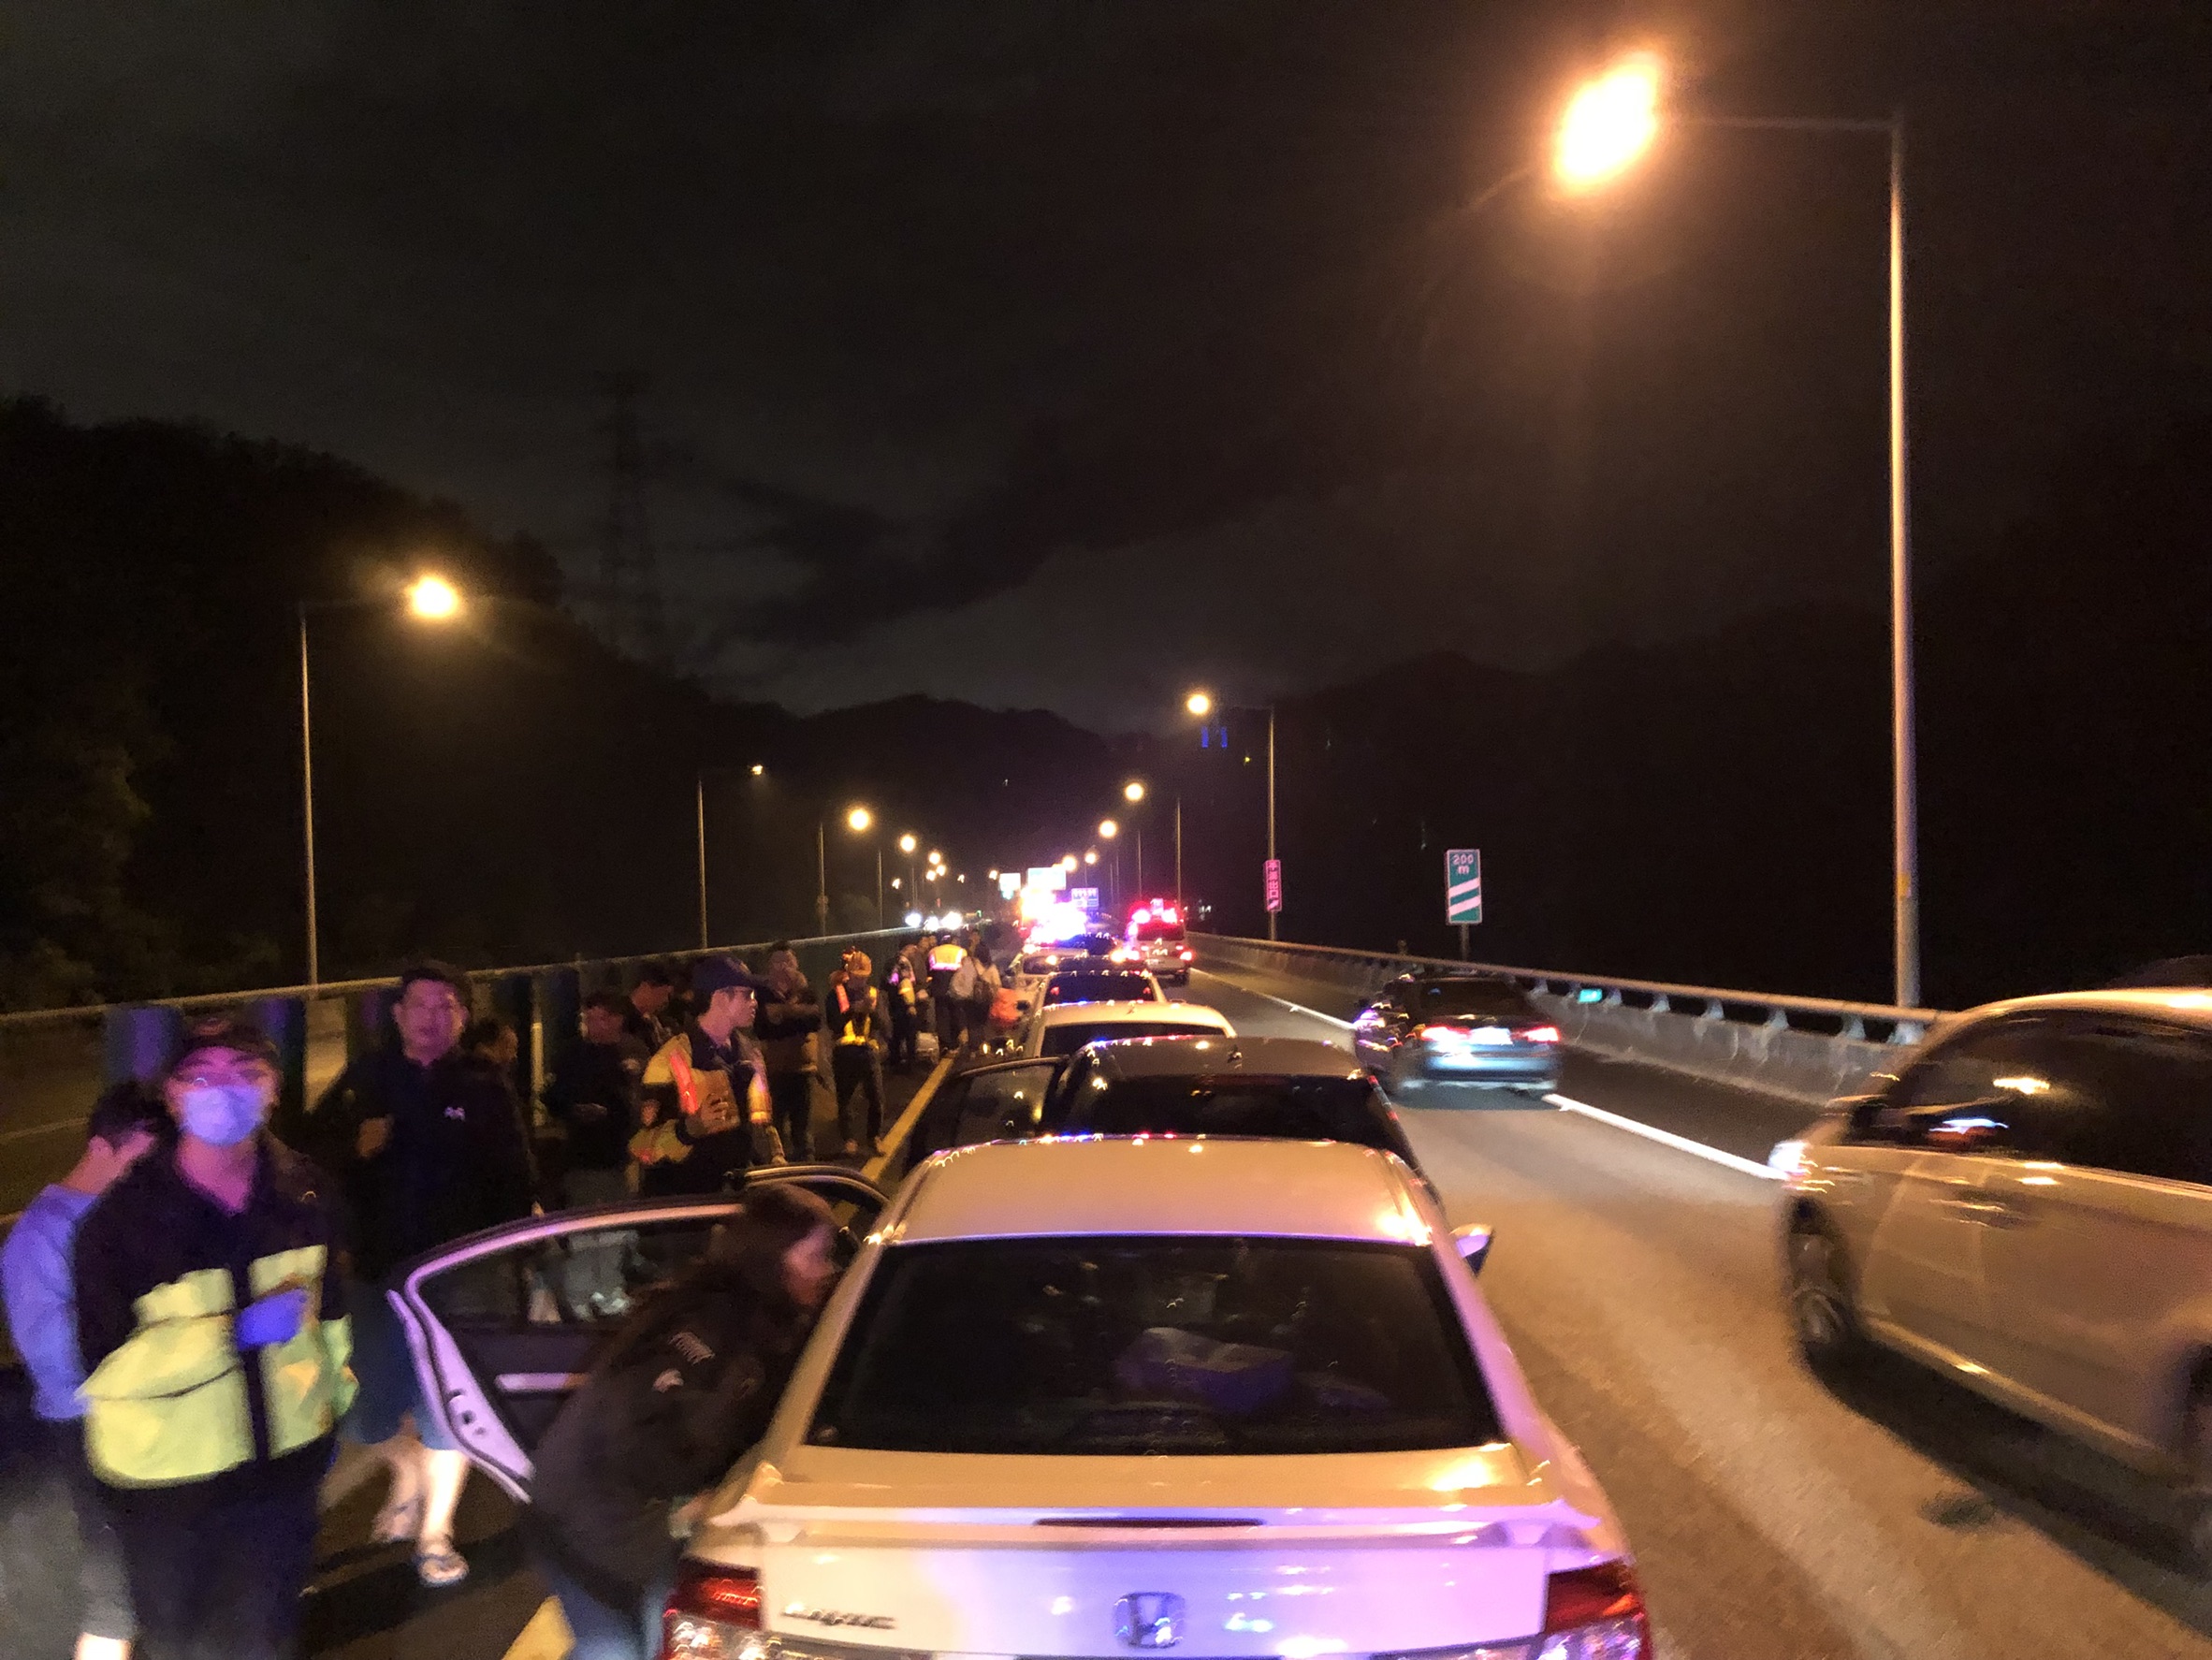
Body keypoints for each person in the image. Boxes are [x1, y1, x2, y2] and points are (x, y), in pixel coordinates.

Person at [73, 1017, 355, 1660]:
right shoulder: (122, 1221)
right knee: (183, 1645)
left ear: (273, 1089)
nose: (223, 1090)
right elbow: (103, 1370)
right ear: (172, 1096)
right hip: (168, 1486)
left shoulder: (307, 1194)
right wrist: (233, 1334)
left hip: (282, 1472)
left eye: (246, 1073)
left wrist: (330, 1412)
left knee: (267, 1638)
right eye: (201, 1076)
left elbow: (333, 1321)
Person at [523, 1184, 839, 1660]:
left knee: (634, 1640)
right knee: (624, 1647)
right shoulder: (719, 1332)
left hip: (593, 1505)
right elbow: (654, 1444)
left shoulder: (738, 1306)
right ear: (772, 1258)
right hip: (589, 1520)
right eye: (816, 1256)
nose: (827, 1270)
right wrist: (694, 1505)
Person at [300, 960, 536, 1589]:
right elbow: (309, 1159)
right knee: (362, 1412)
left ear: (462, 1017)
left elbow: (517, 1179)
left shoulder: (484, 1085)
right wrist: (353, 1149)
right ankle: (404, 1468)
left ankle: (435, 1531)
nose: (433, 1017)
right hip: (375, 1272)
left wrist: (508, 1261)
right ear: (398, 1014)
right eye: (421, 1005)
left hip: (459, 1277)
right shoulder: (366, 1079)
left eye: (446, 1006)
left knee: (447, 1409)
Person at [2, 1081, 167, 1660]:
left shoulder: (128, 1216)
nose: (148, 1179)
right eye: (138, 1162)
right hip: (91, 1428)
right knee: (115, 1596)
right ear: (100, 1147)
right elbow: (57, 1361)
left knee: (148, 1578)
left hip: (150, 1421)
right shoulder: (41, 1235)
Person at [630, 955, 772, 1198]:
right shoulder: (669, 1060)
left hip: (738, 1195)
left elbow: (762, 1125)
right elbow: (640, 1145)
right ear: (720, 997)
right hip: (684, 1203)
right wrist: (686, 1131)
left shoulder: (748, 1051)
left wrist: (774, 1162)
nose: (755, 1002)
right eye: (747, 995)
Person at [753, 944, 822, 1162]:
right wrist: (797, 1013)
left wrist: (781, 1012)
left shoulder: (807, 990)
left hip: (803, 1067)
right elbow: (763, 1028)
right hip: (773, 1069)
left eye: (788, 961)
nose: (784, 967)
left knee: (803, 1127)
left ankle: (806, 1167)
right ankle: (778, 1168)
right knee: (774, 1125)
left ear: (796, 963)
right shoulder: (762, 993)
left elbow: (813, 1022)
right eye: (778, 961)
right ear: (769, 966)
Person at [828, 951, 889, 1157]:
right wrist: (854, 1009)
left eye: (864, 977)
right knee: (845, 1099)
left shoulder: (874, 994)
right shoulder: (837, 994)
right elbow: (833, 1023)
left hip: (868, 1052)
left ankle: (874, 1137)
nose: (860, 981)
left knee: (876, 1097)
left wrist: (872, 1011)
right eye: (856, 976)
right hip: (844, 1053)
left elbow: (885, 1026)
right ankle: (849, 1139)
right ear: (849, 973)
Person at [926, 932, 971, 1056]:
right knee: (956, 1014)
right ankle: (955, 1044)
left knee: (942, 1018)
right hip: (956, 990)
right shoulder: (961, 951)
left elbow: (929, 971)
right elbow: (966, 971)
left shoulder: (933, 952)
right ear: (953, 941)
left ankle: (945, 1044)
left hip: (939, 989)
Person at [882, 937, 923, 1073]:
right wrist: (910, 1004)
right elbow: (906, 984)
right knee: (910, 1034)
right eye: (912, 948)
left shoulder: (891, 961)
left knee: (896, 1034)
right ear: (907, 948)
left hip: (893, 1002)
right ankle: (911, 1065)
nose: (914, 951)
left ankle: (895, 1062)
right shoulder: (904, 963)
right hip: (903, 1004)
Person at [621, 963, 678, 1053]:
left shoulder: (653, 1020)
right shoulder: (625, 1021)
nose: (666, 1000)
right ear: (645, 987)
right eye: (664, 993)